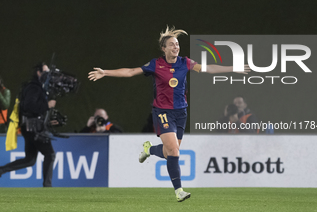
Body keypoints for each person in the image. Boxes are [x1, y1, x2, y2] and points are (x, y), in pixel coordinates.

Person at [88, 26, 250, 202]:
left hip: (181, 112)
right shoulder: (155, 64)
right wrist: (106, 72)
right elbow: (130, 71)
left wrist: (233, 68)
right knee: (174, 150)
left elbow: (208, 68)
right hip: (162, 112)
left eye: (177, 44)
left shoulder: (185, 62)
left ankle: (148, 149)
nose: (176, 47)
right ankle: (179, 190)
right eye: (171, 44)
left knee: (170, 152)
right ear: (163, 48)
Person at [0, 63, 57, 187]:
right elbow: (29, 107)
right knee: (49, 154)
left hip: (30, 126)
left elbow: (31, 109)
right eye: (45, 72)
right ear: (38, 72)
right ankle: (47, 186)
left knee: (30, 160)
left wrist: (48, 120)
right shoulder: (34, 87)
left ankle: (1, 170)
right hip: (34, 127)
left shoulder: (36, 87)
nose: (48, 75)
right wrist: (48, 105)